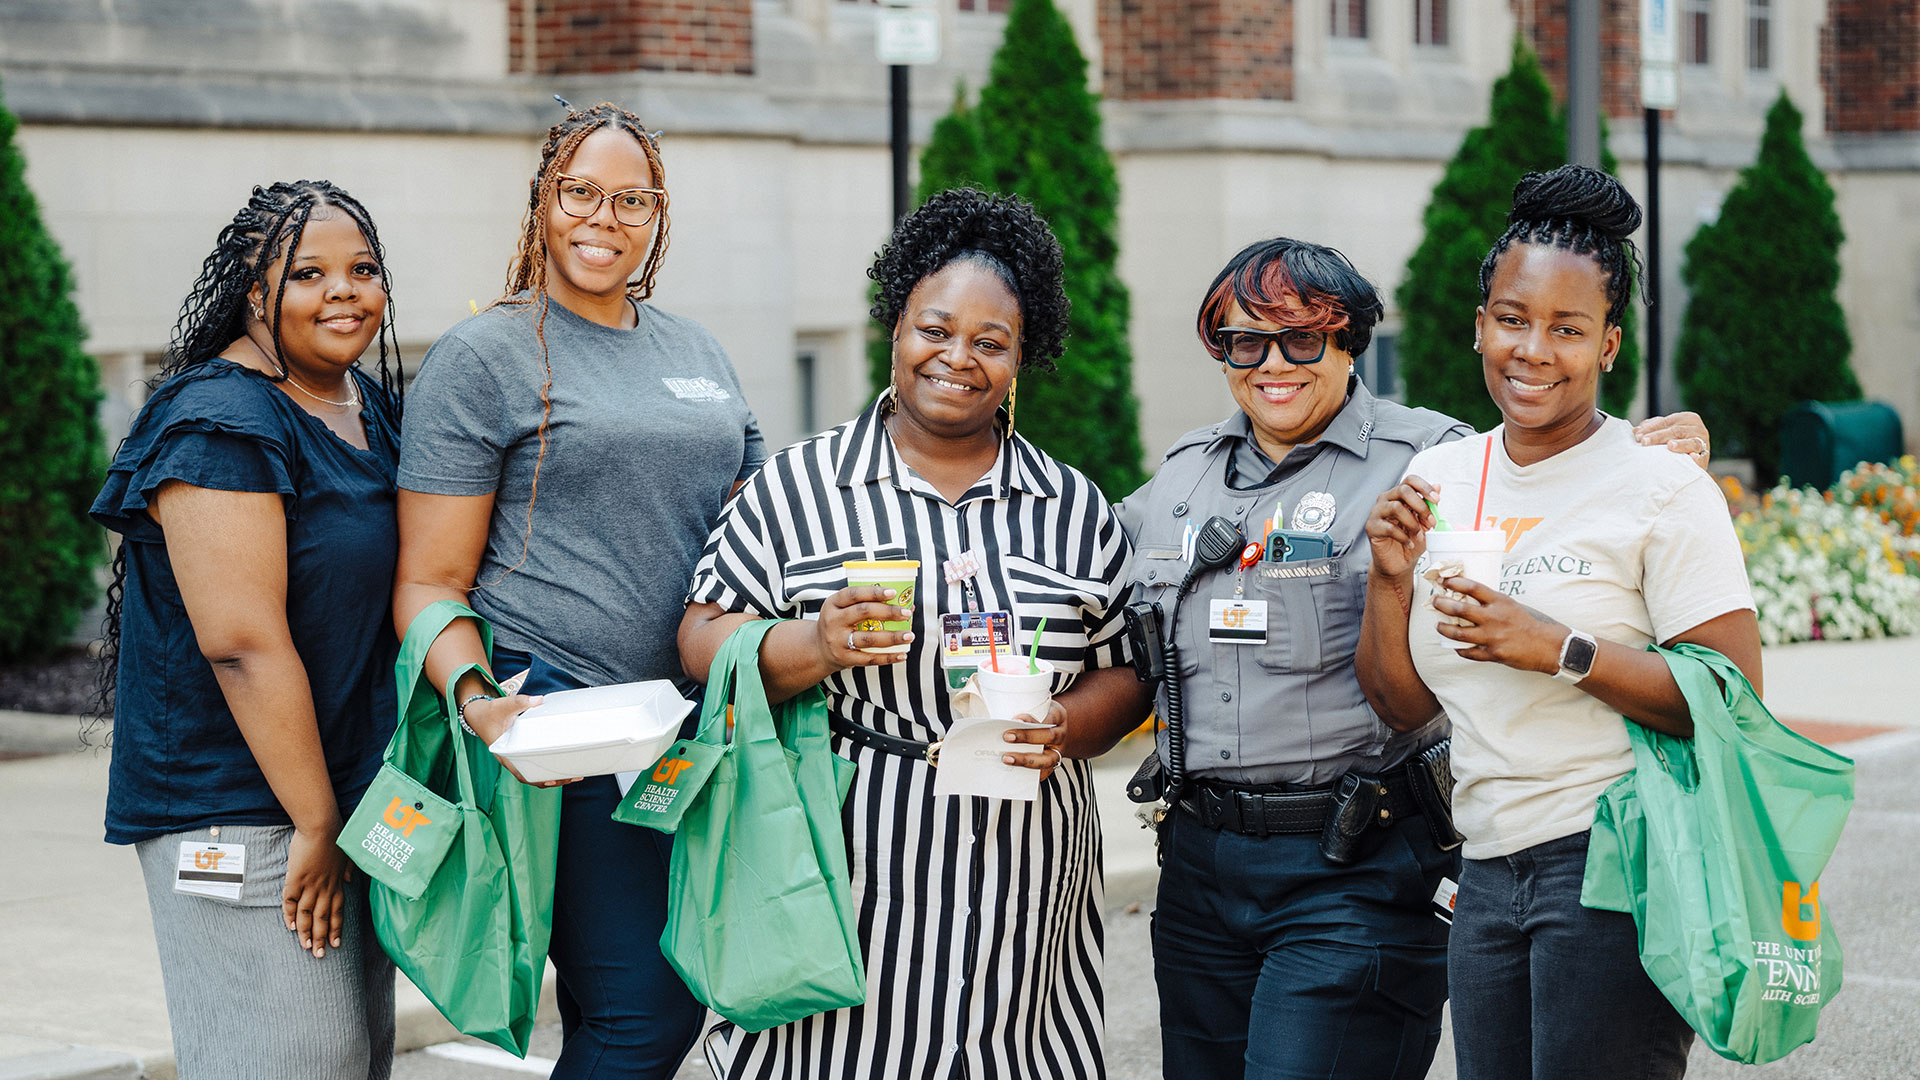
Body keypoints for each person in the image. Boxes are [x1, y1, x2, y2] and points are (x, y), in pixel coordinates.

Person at [1113, 233, 1713, 1080]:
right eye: (1245, 341)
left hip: (1352, 862)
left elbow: (1554, 465)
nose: (1272, 362)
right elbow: (1090, 598)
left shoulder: (1429, 462)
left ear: (1350, 340)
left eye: (1303, 337)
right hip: (1201, 870)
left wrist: (1655, 456)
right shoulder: (1178, 480)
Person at [679, 188, 1148, 1078]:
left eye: (990, 342)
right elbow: (703, 636)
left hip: (1026, 869)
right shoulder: (798, 486)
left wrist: (1066, 728)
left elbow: (1124, 670)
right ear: (895, 325)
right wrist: (813, 644)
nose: (957, 359)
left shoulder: (1072, 506)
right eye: (935, 329)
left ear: (1023, 357)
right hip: (843, 855)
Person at [1356, 165, 1762, 1080]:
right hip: (1487, 871)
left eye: (1567, 329)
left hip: (1617, 860)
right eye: (1512, 319)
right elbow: (1399, 705)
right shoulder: (1444, 481)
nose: (1533, 349)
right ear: (1478, 326)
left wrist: (1561, 649)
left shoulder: (1663, 487)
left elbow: (1732, 702)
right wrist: (1388, 582)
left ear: (1609, 345)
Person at [393, 102, 764, 1079]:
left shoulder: (697, 352)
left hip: (684, 735)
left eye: (630, 198)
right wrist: (479, 702)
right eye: (581, 193)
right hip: (561, 727)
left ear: (658, 213)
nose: (605, 218)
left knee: (672, 998)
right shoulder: (486, 357)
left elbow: (758, 520)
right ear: (542, 203)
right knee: (639, 1011)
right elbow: (428, 578)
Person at [90, 180, 405, 1080]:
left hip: (338, 804)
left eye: (363, 269)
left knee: (349, 1058)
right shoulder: (221, 419)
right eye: (309, 273)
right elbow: (241, 640)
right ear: (253, 293)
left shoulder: (362, 407)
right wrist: (314, 820)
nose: (344, 291)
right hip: (242, 809)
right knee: (291, 1060)